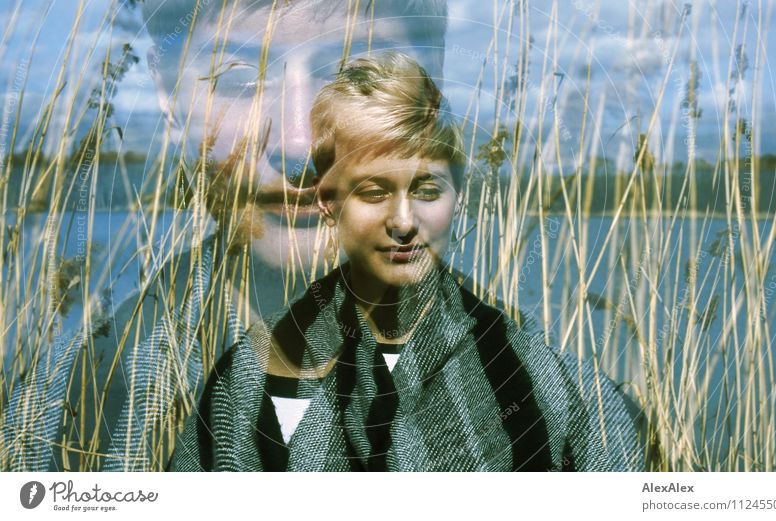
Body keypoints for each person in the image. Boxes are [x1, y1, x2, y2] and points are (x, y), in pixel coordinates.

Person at [0, 0, 449, 471]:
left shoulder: (522, 384)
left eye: (358, 77)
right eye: (239, 80)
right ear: (170, 106)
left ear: (430, 105)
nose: (297, 145)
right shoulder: (70, 403)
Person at [169, 51, 646, 471]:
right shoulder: (253, 376)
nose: (404, 221)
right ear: (328, 204)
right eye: (374, 191)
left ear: (458, 198)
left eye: (427, 190)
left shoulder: (549, 383)